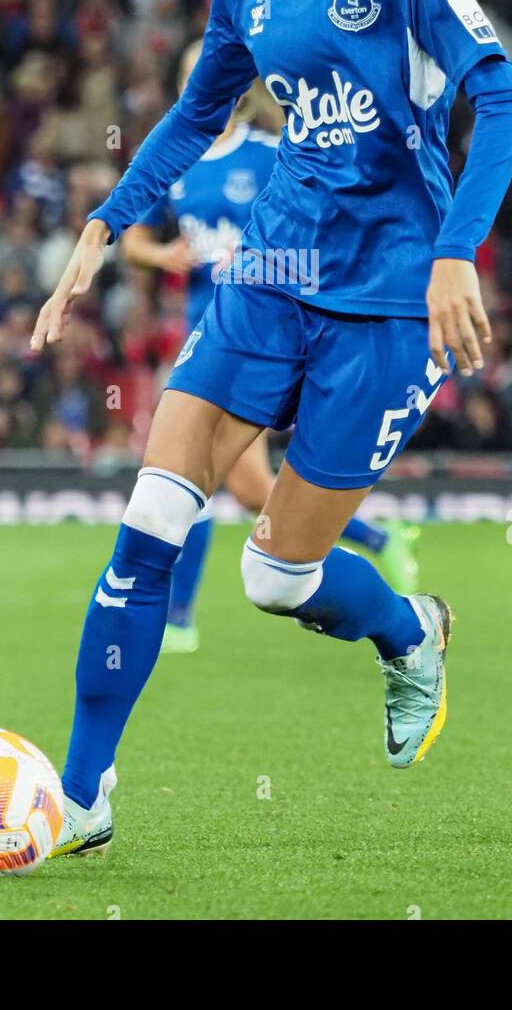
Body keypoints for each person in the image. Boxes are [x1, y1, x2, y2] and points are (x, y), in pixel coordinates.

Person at [30, 0, 512, 857]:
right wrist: (107, 222)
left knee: (272, 574)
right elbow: (196, 112)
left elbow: (500, 100)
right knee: (150, 519)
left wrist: (455, 249)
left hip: (390, 297)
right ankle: (82, 794)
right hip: (268, 271)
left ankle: (408, 628)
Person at [123, 43, 421, 654]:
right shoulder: (176, 161)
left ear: (239, 88)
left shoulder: (269, 154)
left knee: (215, 483)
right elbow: (132, 242)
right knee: (233, 486)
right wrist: (161, 255)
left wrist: (267, 263)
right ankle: (374, 539)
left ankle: (183, 618)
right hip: (204, 333)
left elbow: (317, 223)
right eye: (191, 77)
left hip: (265, 337)